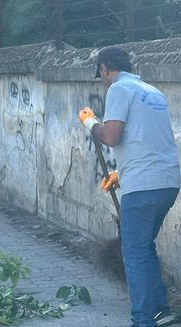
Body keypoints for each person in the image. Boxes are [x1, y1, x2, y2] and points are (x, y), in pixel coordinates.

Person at [79, 46, 180, 327]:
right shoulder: (153, 92)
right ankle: (161, 310)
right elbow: (148, 140)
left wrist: (91, 124)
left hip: (143, 186)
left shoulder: (119, 89)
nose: (101, 78)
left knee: (133, 251)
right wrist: (121, 173)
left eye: (100, 74)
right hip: (167, 182)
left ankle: (143, 319)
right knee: (143, 246)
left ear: (104, 68)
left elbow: (111, 136)